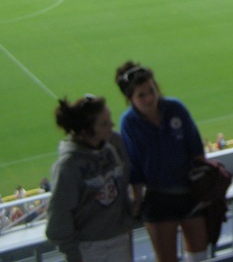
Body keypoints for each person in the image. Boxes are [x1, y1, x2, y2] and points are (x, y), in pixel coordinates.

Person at [115, 61, 208, 262]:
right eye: (141, 95)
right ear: (130, 98)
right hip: (158, 198)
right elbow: (134, 166)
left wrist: (204, 188)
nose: (149, 98)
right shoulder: (129, 123)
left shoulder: (175, 108)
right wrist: (136, 201)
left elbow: (196, 150)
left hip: (190, 192)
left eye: (152, 90)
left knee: (200, 257)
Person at [46, 95, 133, 262]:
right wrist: (74, 253)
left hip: (120, 238)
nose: (112, 125)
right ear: (85, 132)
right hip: (88, 248)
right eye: (104, 124)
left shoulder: (115, 144)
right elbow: (59, 216)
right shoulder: (68, 166)